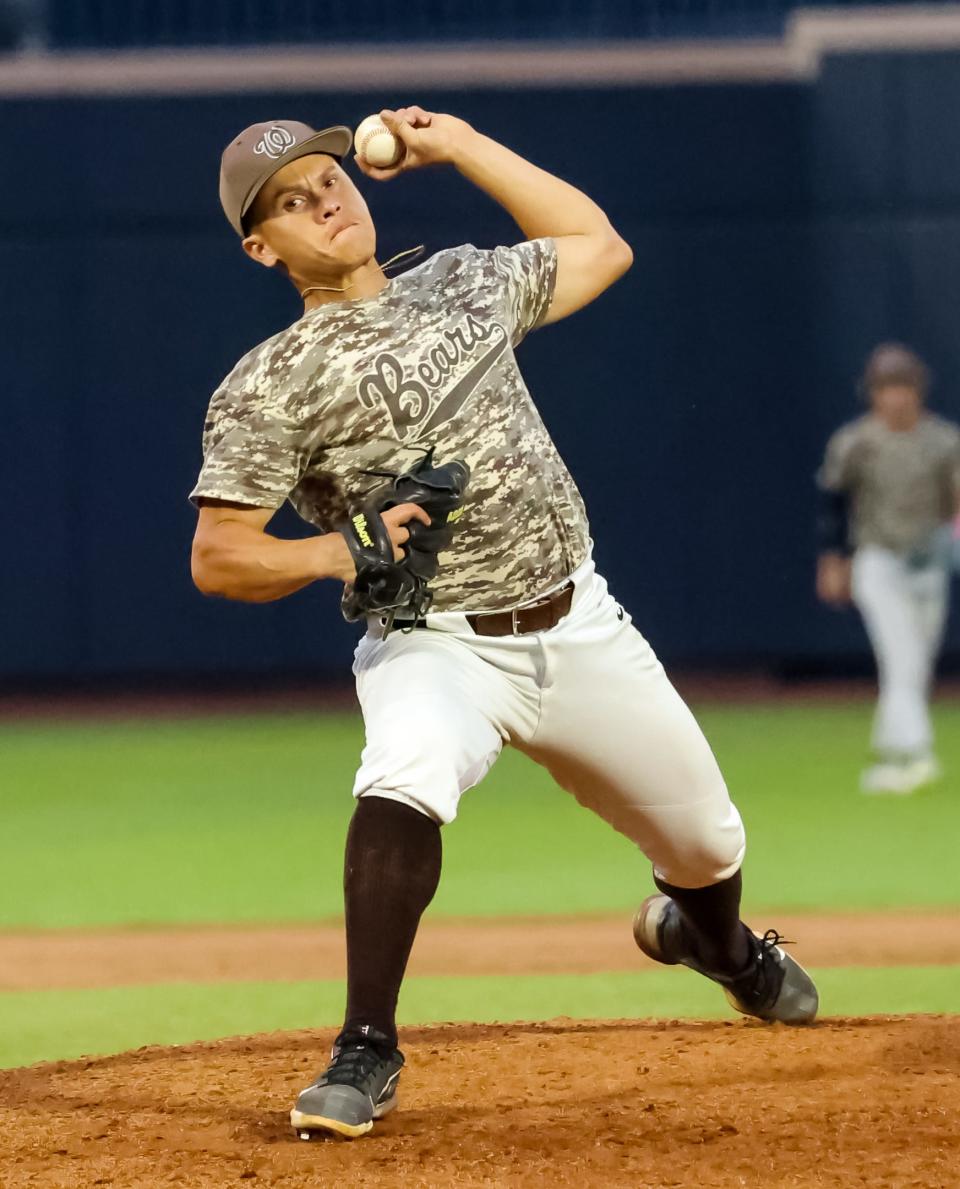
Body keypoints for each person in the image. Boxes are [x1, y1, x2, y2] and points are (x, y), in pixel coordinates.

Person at [190, 106, 819, 1141]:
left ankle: (724, 948)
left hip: (577, 623)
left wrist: (461, 144)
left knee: (706, 843)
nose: (324, 201)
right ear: (263, 246)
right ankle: (365, 1047)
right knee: (404, 777)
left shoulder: (461, 283)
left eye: (328, 178)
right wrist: (338, 548)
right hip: (436, 640)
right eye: (289, 203)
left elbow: (599, 247)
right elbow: (220, 556)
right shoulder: (269, 381)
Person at [817, 343, 960, 794]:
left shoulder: (943, 441)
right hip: (877, 561)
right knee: (902, 656)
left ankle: (889, 755)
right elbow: (832, 504)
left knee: (915, 664)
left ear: (918, 390)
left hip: (929, 562)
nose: (896, 397)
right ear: (874, 392)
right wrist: (832, 560)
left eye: (904, 386)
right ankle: (916, 753)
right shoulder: (856, 441)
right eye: (886, 387)